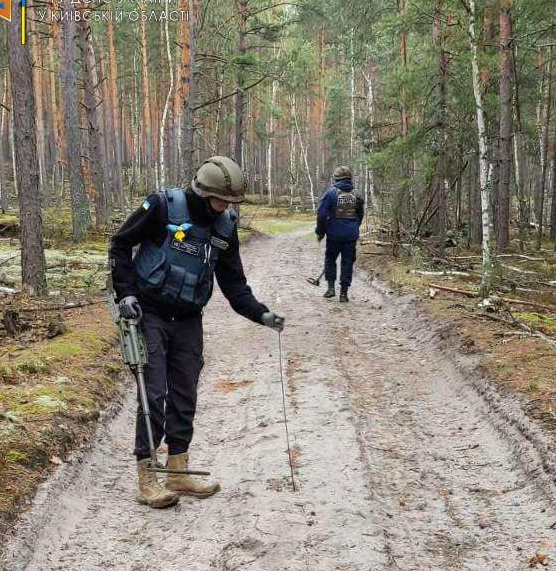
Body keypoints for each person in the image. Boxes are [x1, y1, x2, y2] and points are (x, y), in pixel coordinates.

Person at [109, 156, 285, 508]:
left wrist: (261, 314)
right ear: (202, 192)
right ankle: (148, 477)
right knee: (153, 392)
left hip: (189, 318)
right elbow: (120, 244)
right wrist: (125, 292)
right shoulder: (160, 206)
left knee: (185, 393)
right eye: (221, 200)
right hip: (148, 312)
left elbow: (234, 284)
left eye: (231, 202)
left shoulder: (224, 228)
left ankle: (178, 470)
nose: (226, 207)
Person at [315, 165, 364, 303]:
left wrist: (320, 232)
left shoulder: (330, 193)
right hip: (351, 237)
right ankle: (344, 293)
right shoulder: (357, 195)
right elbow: (360, 215)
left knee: (330, 259)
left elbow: (321, 214)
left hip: (334, 236)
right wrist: (354, 227)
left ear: (335, 178)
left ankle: (331, 288)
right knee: (347, 262)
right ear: (349, 178)